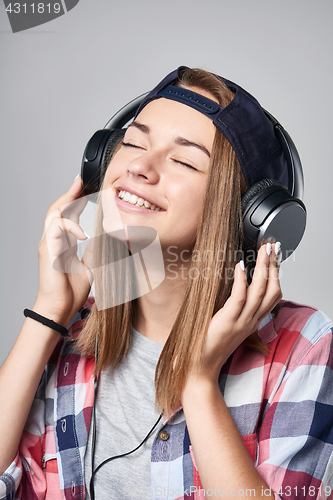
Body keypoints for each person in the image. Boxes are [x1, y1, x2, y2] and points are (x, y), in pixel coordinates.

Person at [0, 67, 332, 500]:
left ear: (248, 217)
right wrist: (47, 313)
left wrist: (197, 382)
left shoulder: (304, 348)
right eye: (133, 143)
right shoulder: (72, 331)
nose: (138, 166)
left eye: (183, 160)